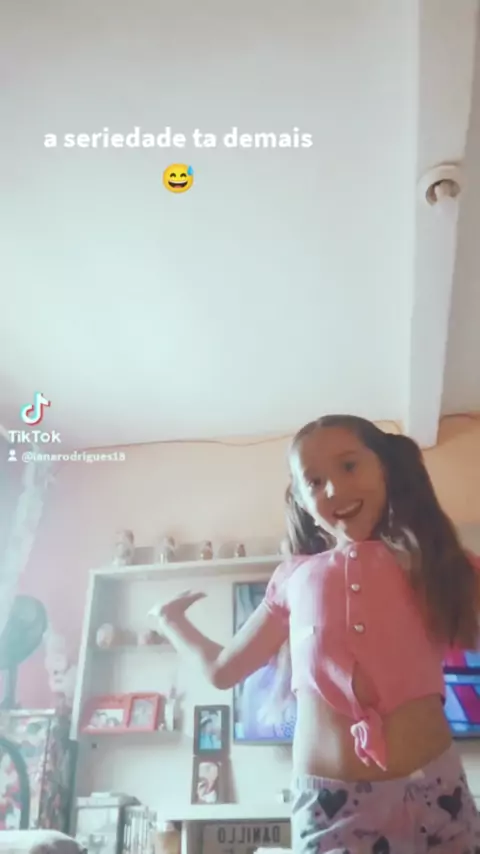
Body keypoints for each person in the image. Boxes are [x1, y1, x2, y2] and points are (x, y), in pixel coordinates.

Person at [148, 415, 480, 853]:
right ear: (302, 502)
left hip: (436, 792)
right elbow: (223, 670)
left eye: (349, 466)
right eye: (315, 481)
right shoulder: (294, 578)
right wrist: (171, 621)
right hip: (332, 809)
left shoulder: (435, 561)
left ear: (385, 468)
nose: (334, 490)